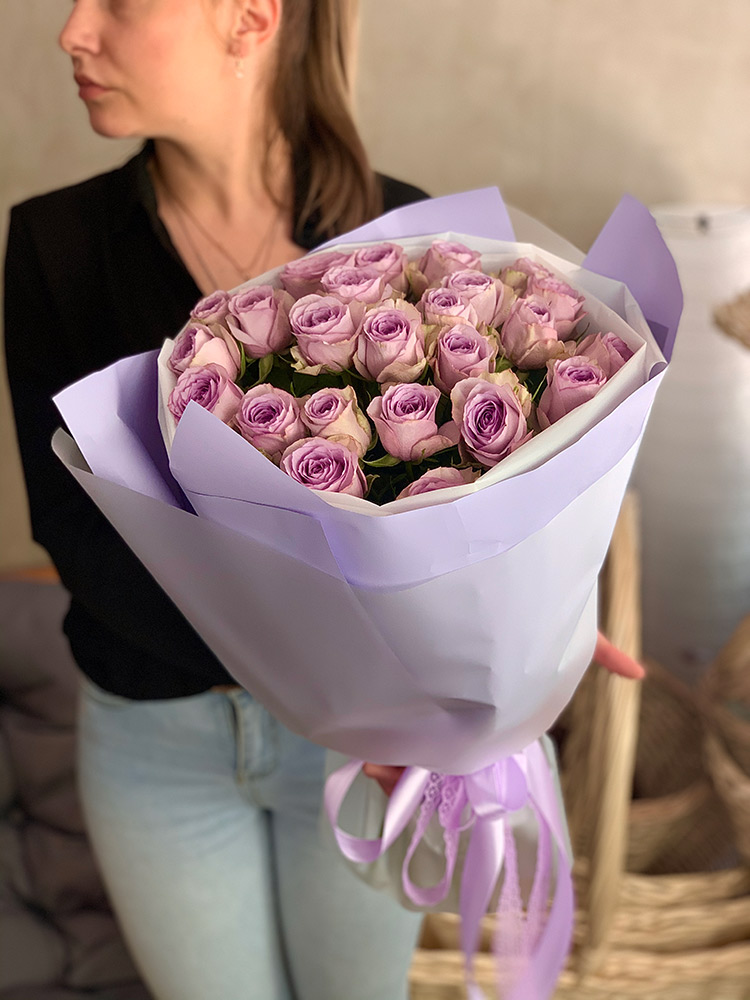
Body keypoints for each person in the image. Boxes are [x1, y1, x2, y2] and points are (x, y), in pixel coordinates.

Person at [4, 2, 430, 999]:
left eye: (117, 1)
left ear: (249, 16)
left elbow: (447, 522)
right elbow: (71, 529)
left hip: (355, 747)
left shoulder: (407, 239)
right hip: (156, 746)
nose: (73, 31)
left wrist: (519, 655)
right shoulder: (54, 242)